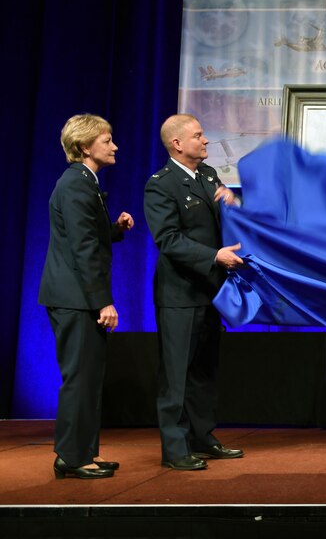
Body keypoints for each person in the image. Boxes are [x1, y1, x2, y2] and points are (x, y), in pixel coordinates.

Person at [144, 113, 244, 471]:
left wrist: (232, 204)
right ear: (177, 143)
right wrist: (213, 256)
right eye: (199, 135)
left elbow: (218, 224)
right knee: (176, 374)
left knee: (203, 370)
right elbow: (168, 240)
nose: (205, 141)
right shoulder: (161, 184)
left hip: (210, 291)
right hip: (179, 294)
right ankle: (174, 448)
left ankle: (203, 436)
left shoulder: (208, 176)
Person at [38, 114, 134, 479]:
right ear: (84, 147)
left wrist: (115, 229)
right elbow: (82, 250)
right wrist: (103, 301)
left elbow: (88, 237)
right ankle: (72, 457)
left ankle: (82, 453)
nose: (114, 146)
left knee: (89, 376)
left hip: (76, 296)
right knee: (80, 376)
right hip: (75, 298)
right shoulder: (77, 184)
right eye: (107, 140)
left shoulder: (84, 182)